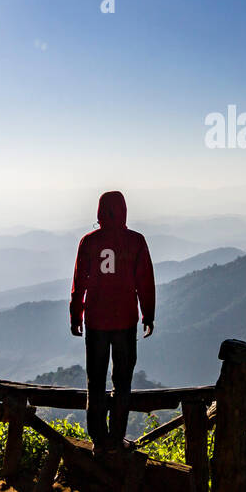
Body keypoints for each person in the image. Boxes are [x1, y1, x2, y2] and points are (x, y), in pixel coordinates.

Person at [69, 190, 155, 453]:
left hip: (95, 322)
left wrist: (76, 315)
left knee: (95, 382)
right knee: (122, 382)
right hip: (126, 321)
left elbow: (79, 283)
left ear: (99, 211)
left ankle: (98, 439)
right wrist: (148, 315)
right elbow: (145, 283)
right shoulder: (136, 241)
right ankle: (116, 438)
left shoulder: (89, 242)